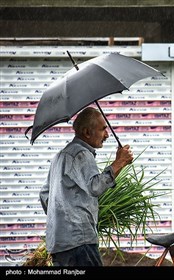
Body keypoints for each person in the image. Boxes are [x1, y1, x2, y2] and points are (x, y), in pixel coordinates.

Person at [39, 107, 134, 266]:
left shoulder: (59, 156)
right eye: (103, 129)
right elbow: (95, 187)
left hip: (59, 243)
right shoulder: (82, 154)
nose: (107, 135)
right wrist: (120, 162)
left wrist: (62, 219)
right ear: (87, 132)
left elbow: (44, 195)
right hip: (79, 242)